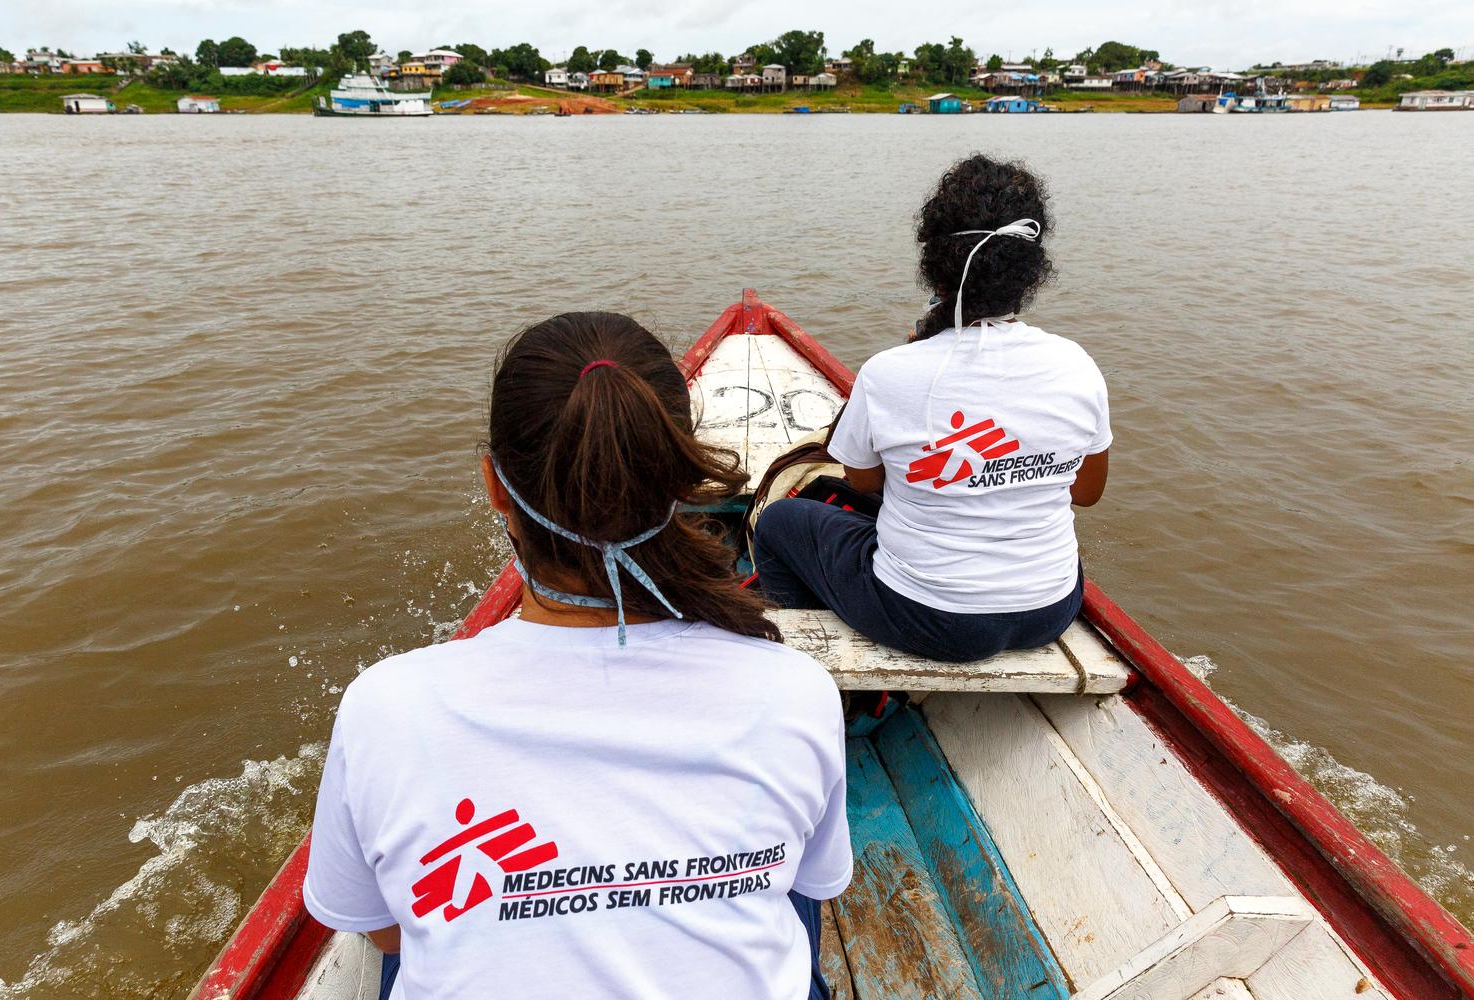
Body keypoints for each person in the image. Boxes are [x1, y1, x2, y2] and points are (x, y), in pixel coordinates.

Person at [303, 312, 852, 1000]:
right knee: (796, 902)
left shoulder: (386, 708)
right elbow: (815, 881)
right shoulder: (794, 690)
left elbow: (382, 932)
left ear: (496, 486)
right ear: (683, 482)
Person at [753, 154, 1112, 663]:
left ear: (936, 269)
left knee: (781, 523)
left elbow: (864, 484)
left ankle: (802, 663)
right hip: (1050, 608)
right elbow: (1088, 493)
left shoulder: (889, 372)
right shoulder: (1077, 365)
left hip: (926, 619)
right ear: (1028, 272)